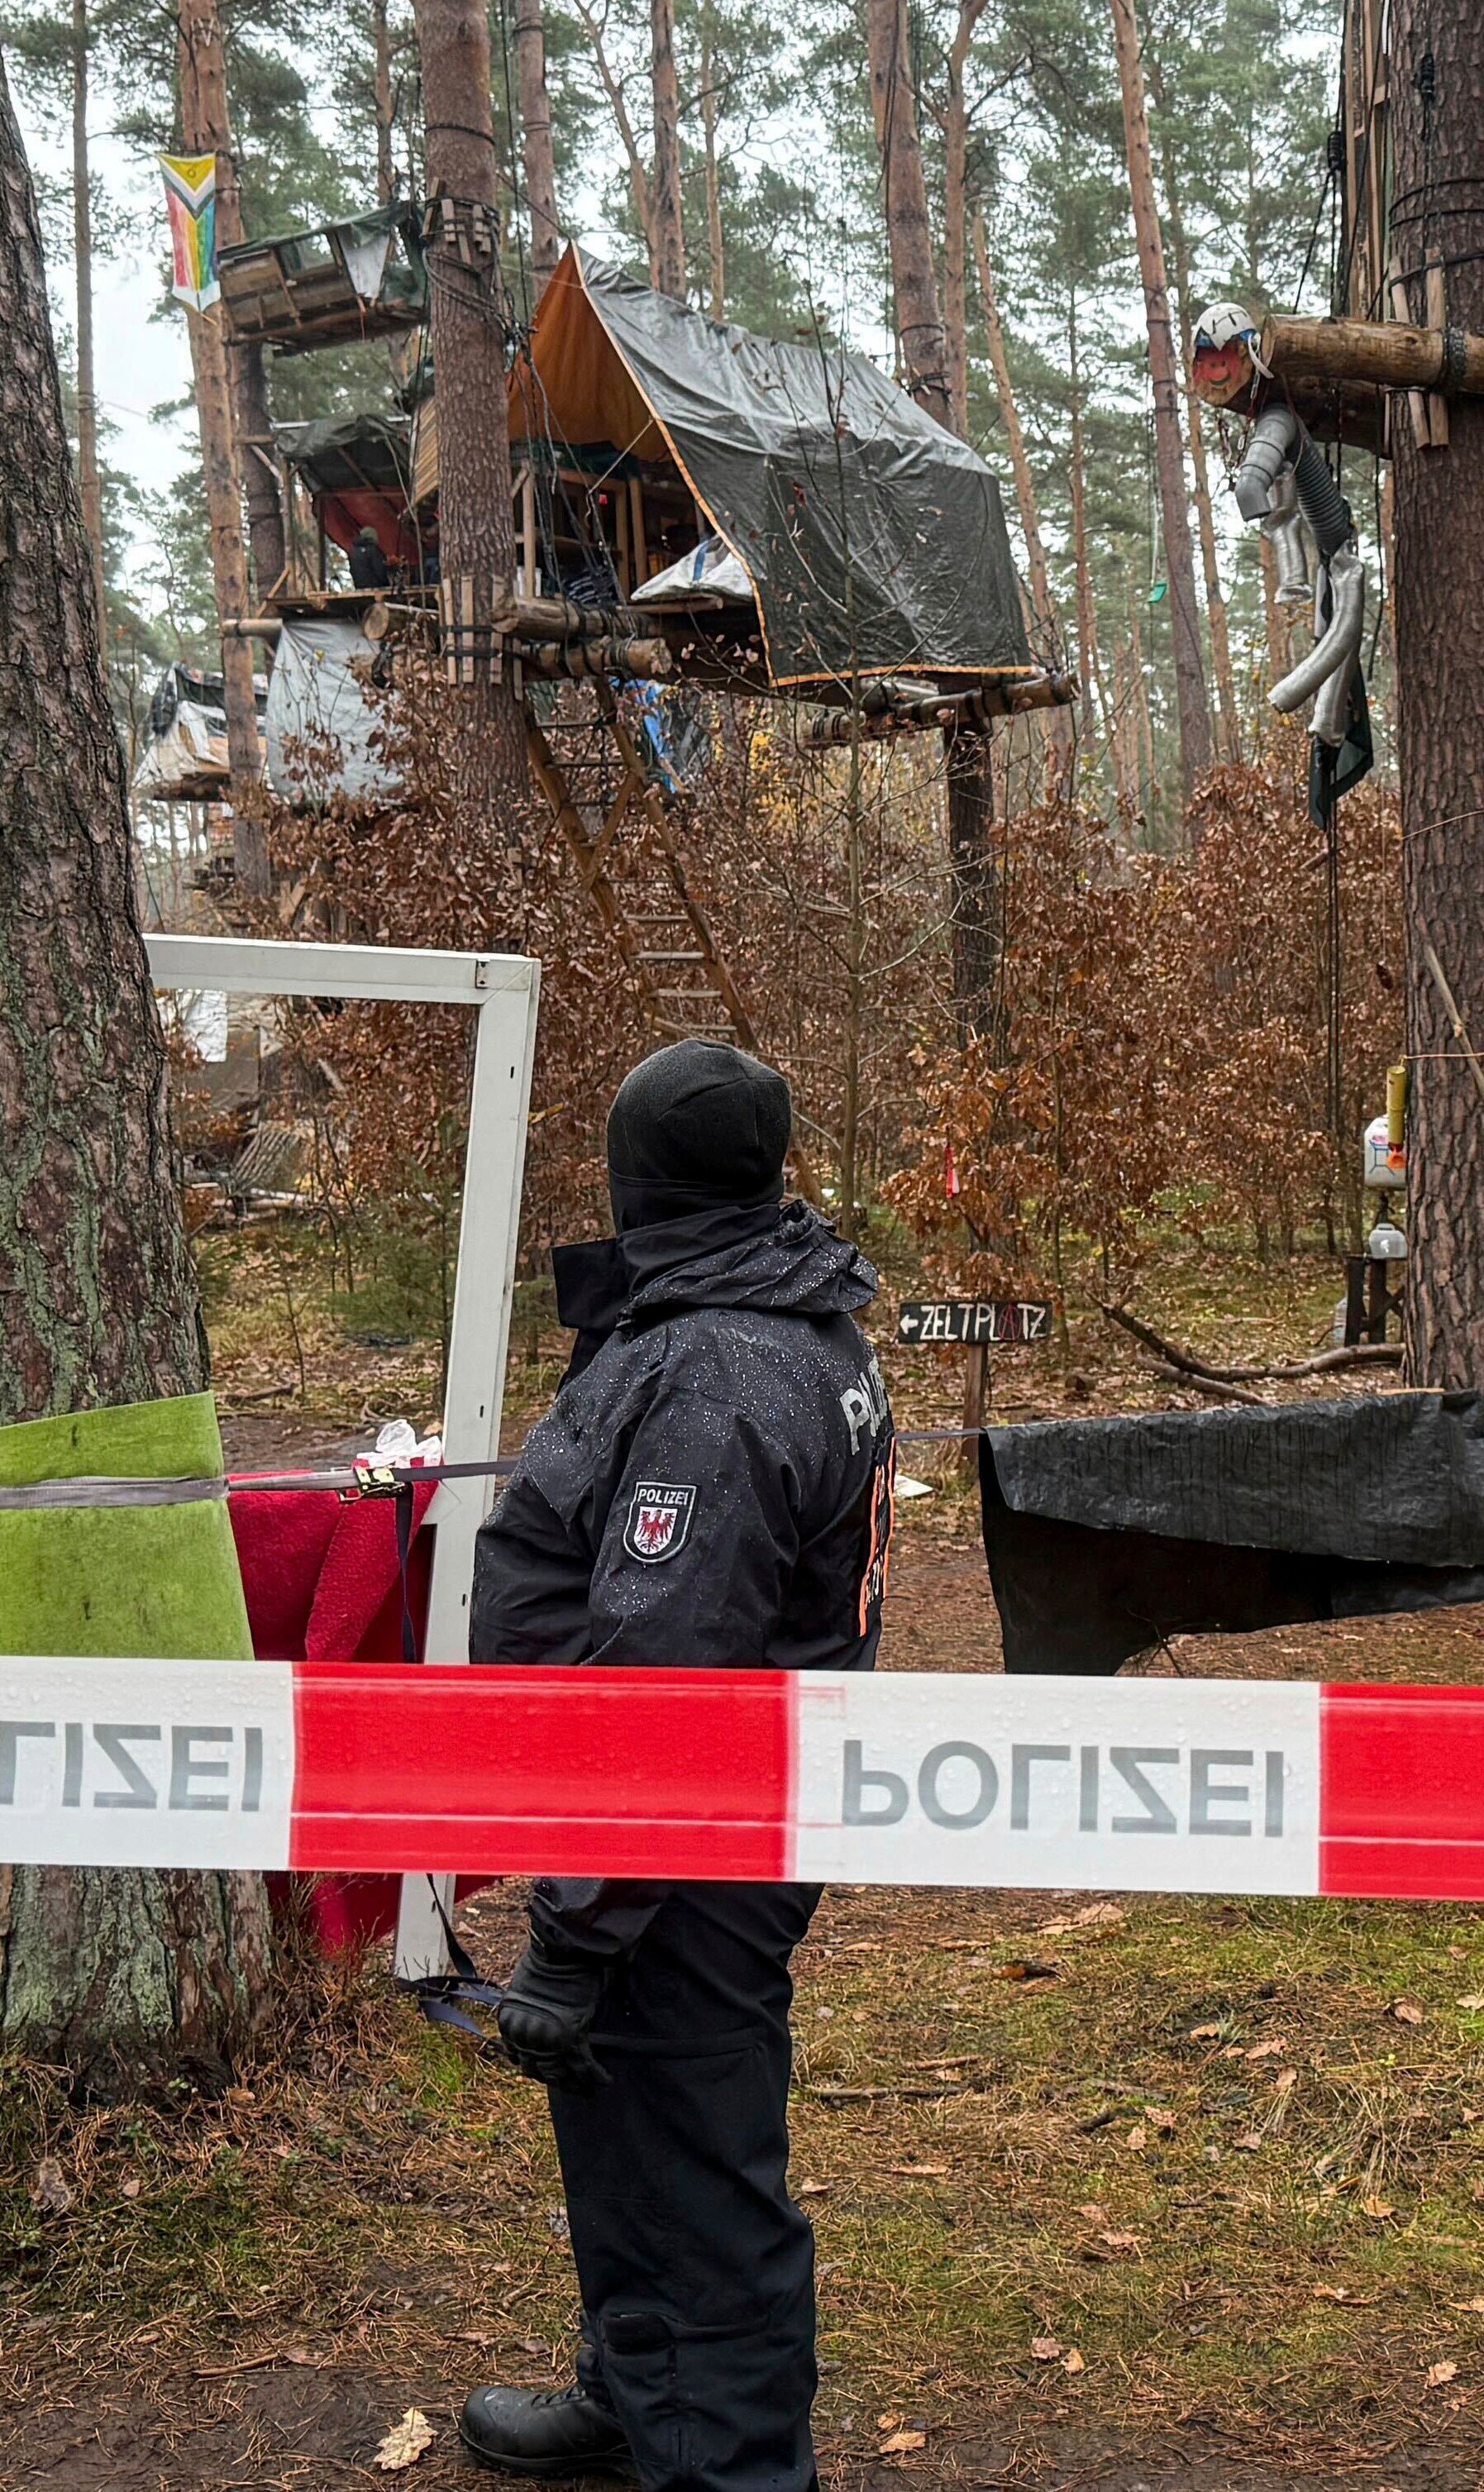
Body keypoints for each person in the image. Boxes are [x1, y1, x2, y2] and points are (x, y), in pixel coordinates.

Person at [456, 1041, 895, 2489]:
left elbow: (660, 1687)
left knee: (697, 2161)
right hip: (692, 1832)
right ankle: (635, 2382)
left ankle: (732, 2464)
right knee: (631, 2122)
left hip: (681, 1850)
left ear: (637, 1175)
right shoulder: (771, 1305)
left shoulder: (719, 1367)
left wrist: (576, 1930)